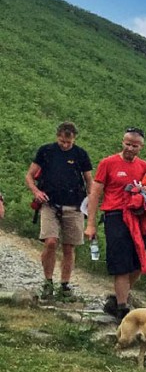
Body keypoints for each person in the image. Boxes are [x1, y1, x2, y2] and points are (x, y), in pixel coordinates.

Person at [86, 127, 146, 321]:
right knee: (121, 264)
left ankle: (116, 298)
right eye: (127, 144)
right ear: (122, 142)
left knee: (140, 262)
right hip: (115, 216)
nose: (130, 148)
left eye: (135, 145)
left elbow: (145, 187)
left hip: (137, 216)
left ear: (141, 147)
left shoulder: (143, 166)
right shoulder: (108, 163)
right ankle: (122, 308)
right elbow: (95, 193)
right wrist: (91, 224)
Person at [25, 121, 94, 301]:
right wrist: (36, 192)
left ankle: (64, 284)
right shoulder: (46, 151)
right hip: (50, 204)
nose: (65, 145)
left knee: (69, 247)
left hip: (74, 206)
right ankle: (48, 282)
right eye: (62, 141)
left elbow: (89, 181)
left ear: (74, 139)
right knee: (50, 242)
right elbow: (30, 175)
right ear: (58, 137)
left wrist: (90, 203)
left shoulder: (80, 155)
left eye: (68, 142)